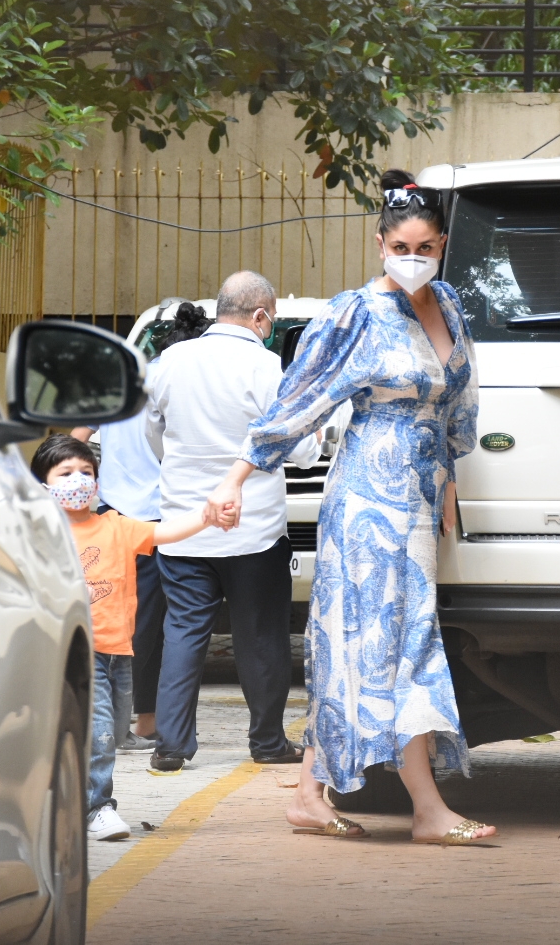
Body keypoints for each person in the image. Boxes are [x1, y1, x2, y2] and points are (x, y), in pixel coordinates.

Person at [204, 169, 497, 846]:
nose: (414, 259)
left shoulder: (448, 305)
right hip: (367, 492)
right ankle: (427, 808)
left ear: (442, 244)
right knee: (393, 640)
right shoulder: (355, 313)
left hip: (420, 497)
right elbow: (297, 402)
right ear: (379, 244)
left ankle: (309, 792)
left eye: (425, 247)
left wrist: (450, 481)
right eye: (401, 248)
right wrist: (235, 479)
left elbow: (460, 404)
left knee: (366, 643)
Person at [145, 272, 322, 775]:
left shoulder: (168, 362)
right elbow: (302, 448)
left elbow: (153, 434)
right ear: (261, 316)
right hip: (254, 531)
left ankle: (171, 746)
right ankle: (267, 742)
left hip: (183, 524)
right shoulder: (268, 368)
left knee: (182, 631)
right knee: (260, 635)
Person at [29, 433, 212, 841]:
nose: (79, 479)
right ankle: (97, 808)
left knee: (104, 735)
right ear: (43, 486)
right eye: (66, 473)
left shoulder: (116, 526)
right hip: (73, 651)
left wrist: (208, 517)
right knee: (101, 734)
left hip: (118, 653)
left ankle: (66, 804)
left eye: (87, 472)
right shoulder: (38, 534)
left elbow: (164, 533)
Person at [72, 301, 212, 752]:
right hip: (159, 521)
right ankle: (140, 722)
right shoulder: (188, 389)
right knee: (151, 629)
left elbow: (74, 437)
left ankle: (124, 720)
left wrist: (75, 486)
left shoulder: (123, 385)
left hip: (111, 517)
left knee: (120, 622)